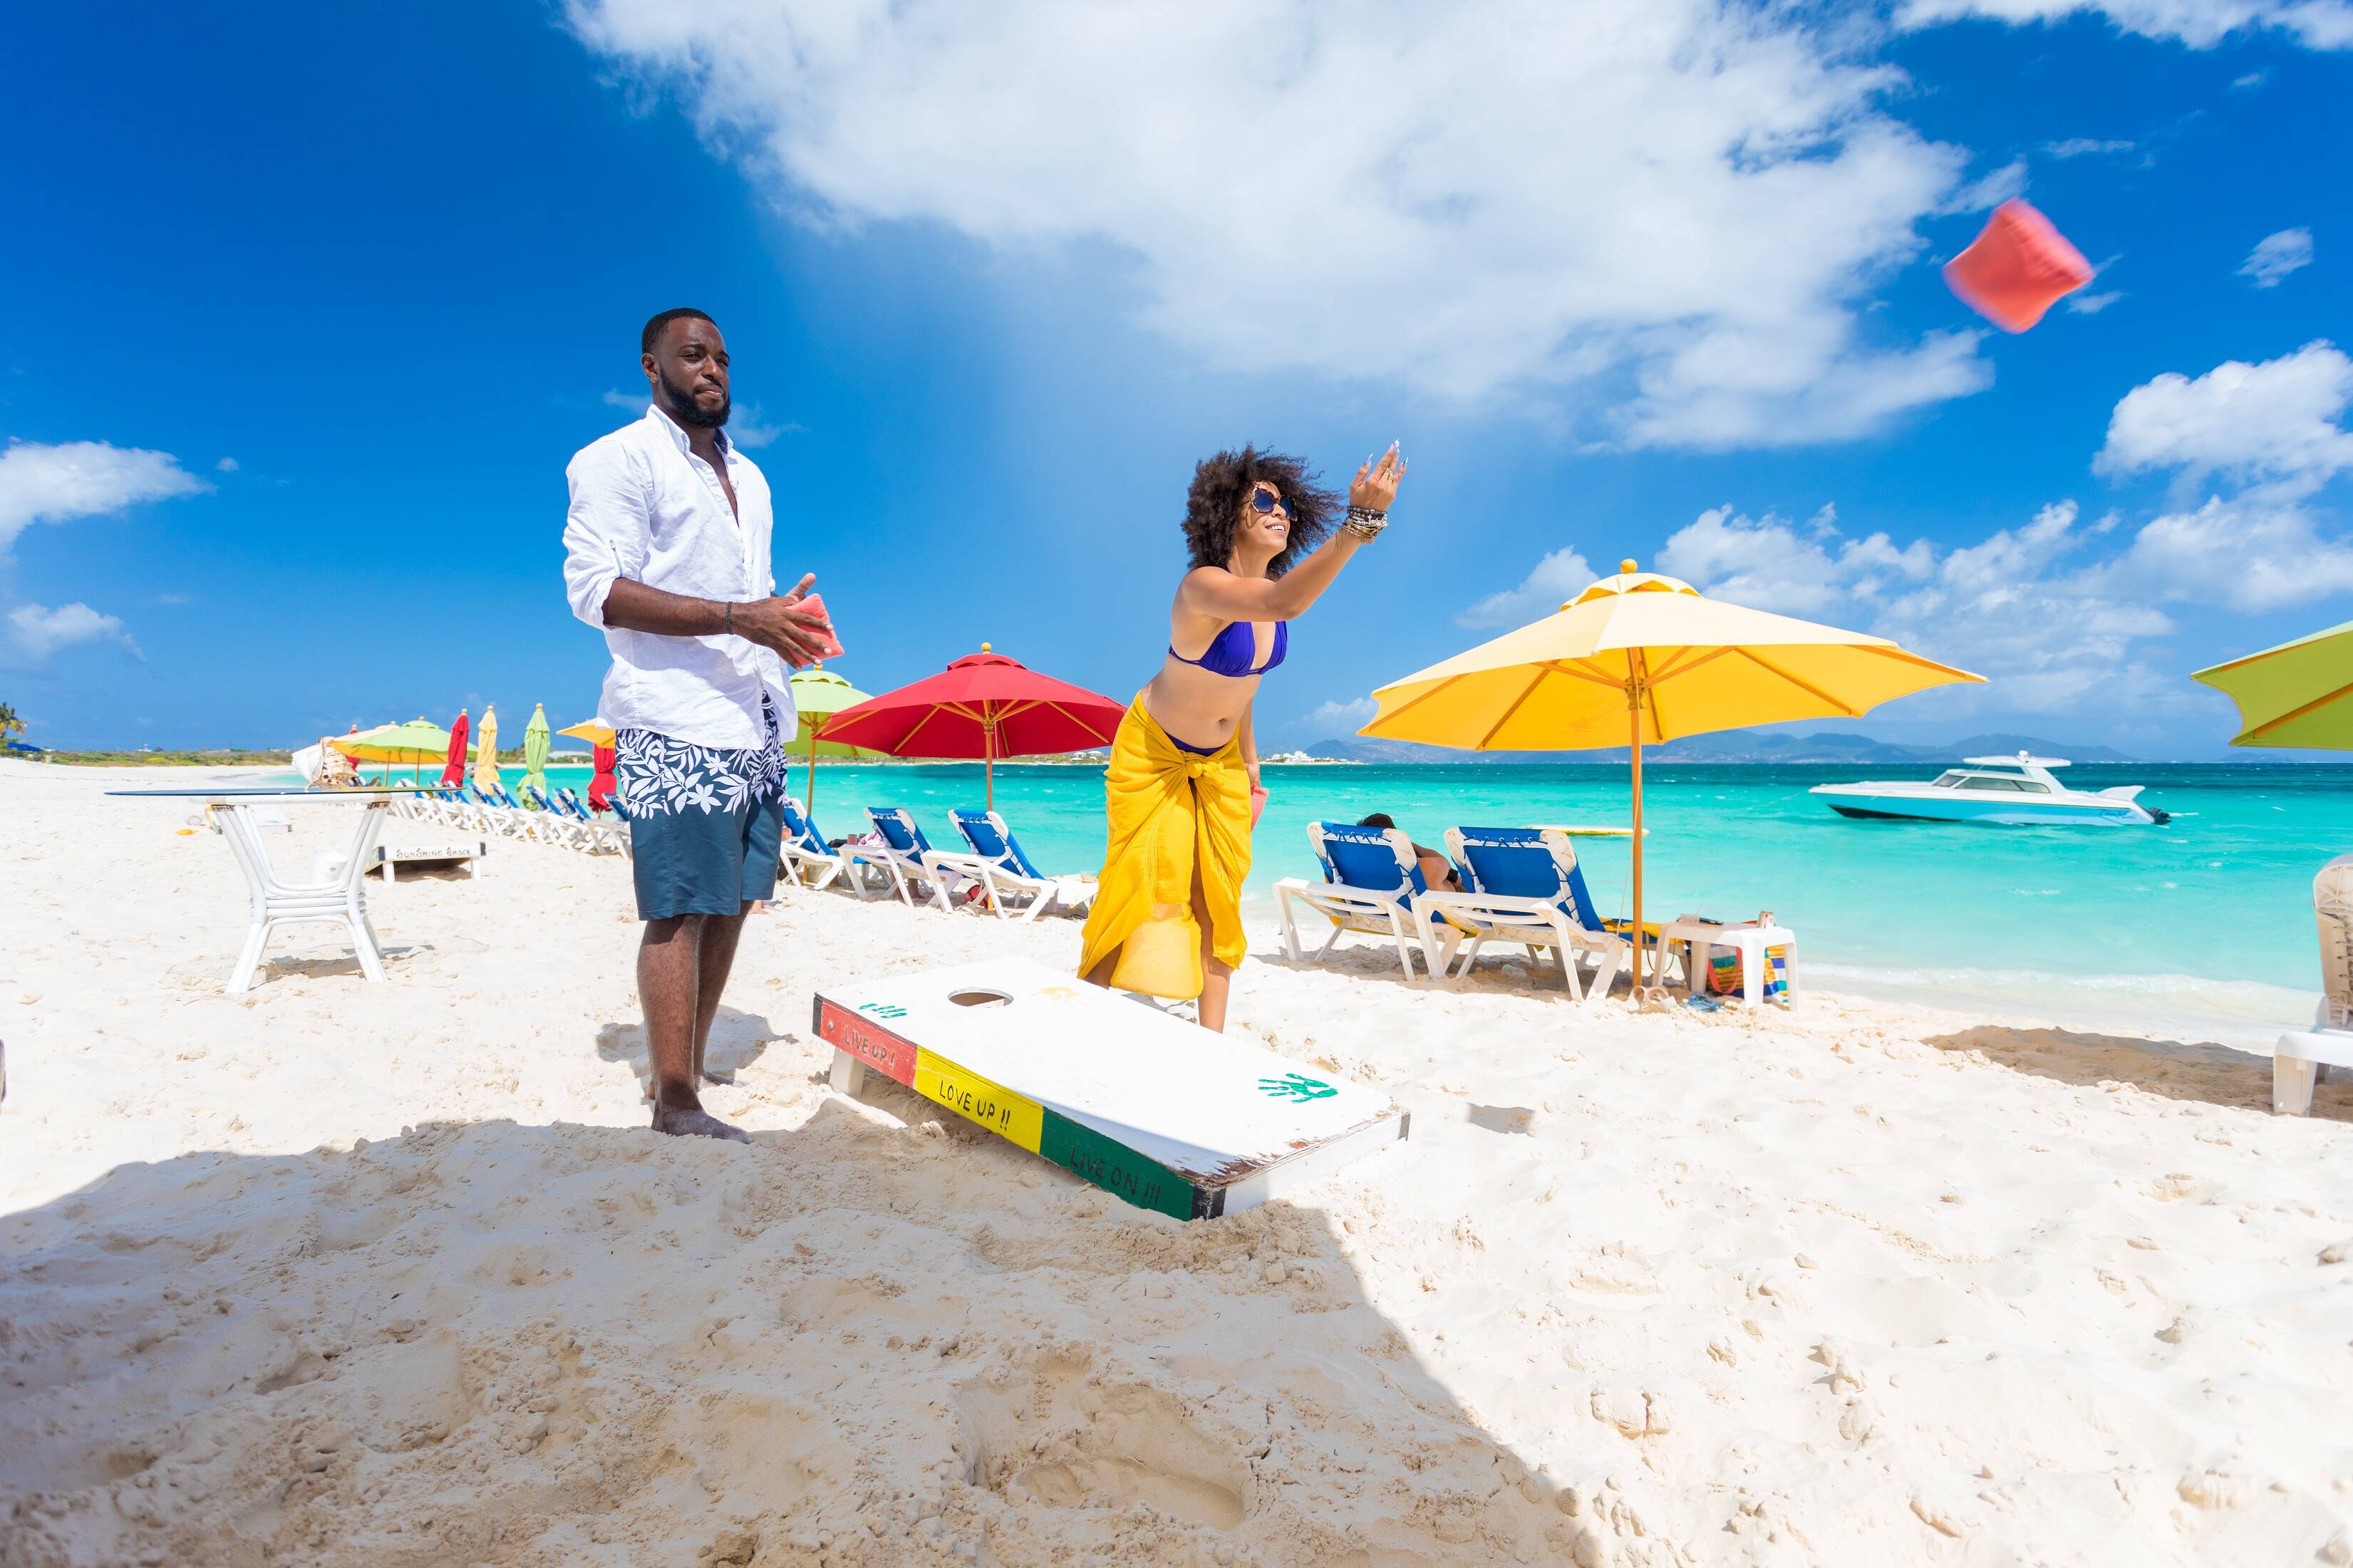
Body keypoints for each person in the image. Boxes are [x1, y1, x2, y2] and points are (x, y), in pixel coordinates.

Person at [562, 307, 833, 1142]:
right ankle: (674, 1097)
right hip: (673, 713)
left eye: (720, 356)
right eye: (691, 355)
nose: (711, 368)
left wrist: (779, 624)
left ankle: (691, 1059)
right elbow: (595, 590)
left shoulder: (750, 478)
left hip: (753, 717)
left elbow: (742, 591)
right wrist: (733, 615)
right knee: (680, 905)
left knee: (735, 902)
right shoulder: (615, 459)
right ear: (652, 367)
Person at [1080, 442, 1406, 1031]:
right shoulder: (1203, 587)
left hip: (1223, 762)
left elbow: (1244, 682)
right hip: (1153, 754)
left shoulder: (1266, 598)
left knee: (1218, 898)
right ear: (1227, 511)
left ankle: (1213, 1043)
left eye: (1285, 503)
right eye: (1262, 499)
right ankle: (1087, 1017)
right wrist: (1359, 523)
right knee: (1139, 885)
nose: (1277, 510)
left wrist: (1251, 762)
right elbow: (1286, 600)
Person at [1358, 813, 1460, 891]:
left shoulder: (1358, 868)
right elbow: (1444, 863)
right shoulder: (1418, 866)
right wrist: (1405, 844)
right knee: (1454, 878)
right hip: (1451, 909)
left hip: (1381, 911)